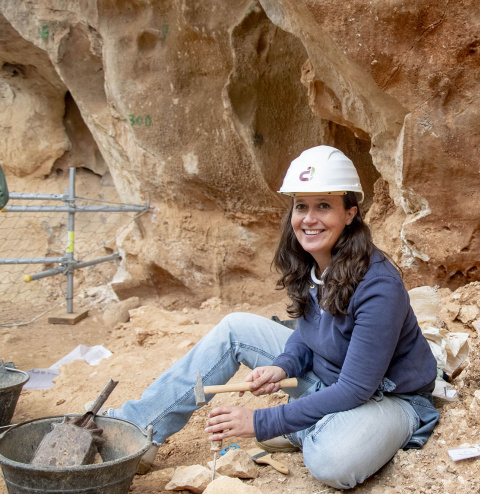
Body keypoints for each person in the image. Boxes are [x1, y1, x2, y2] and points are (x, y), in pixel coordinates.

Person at [105, 145, 439, 489]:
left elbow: (355, 388)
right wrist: (284, 365)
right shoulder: (314, 261)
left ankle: (308, 427)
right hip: (330, 380)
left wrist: (262, 422)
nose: (309, 218)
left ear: (350, 214)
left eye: (324, 205)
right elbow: (310, 333)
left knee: (332, 462)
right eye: (301, 206)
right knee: (236, 328)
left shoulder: (378, 284)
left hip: (387, 397)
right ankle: (138, 430)